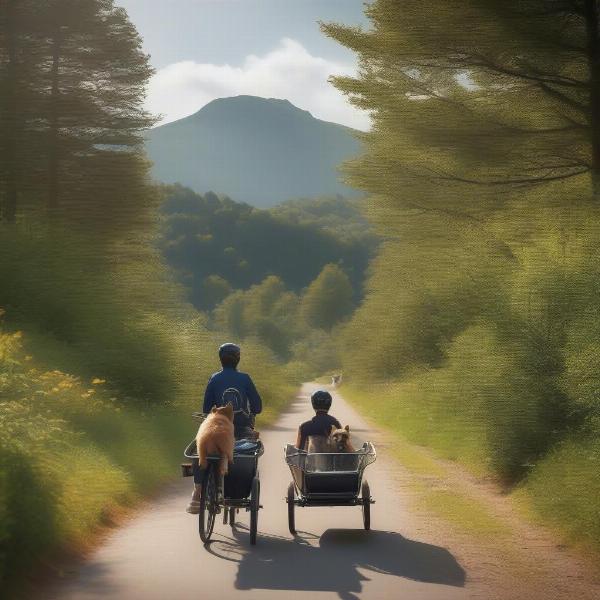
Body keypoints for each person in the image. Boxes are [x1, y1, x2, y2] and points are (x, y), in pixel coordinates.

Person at [187, 343, 262, 514]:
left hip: (215, 428)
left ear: (220, 359)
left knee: (199, 448)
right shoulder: (245, 378)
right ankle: (236, 489)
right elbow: (257, 407)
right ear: (238, 359)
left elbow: (206, 409)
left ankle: (197, 492)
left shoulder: (214, 379)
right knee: (247, 451)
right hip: (241, 429)